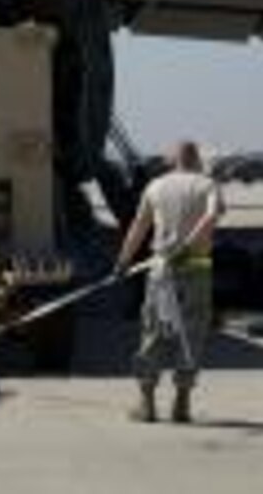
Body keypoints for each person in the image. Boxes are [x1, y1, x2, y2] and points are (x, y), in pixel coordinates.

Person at [115, 139, 223, 424]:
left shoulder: (156, 186)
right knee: (192, 333)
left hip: (161, 273)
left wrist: (123, 261)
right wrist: (189, 244)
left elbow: (139, 226)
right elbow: (212, 215)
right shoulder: (208, 185)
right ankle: (182, 402)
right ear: (197, 159)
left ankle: (146, 402)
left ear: (172, 161)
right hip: (197, 269)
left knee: (153, 332)